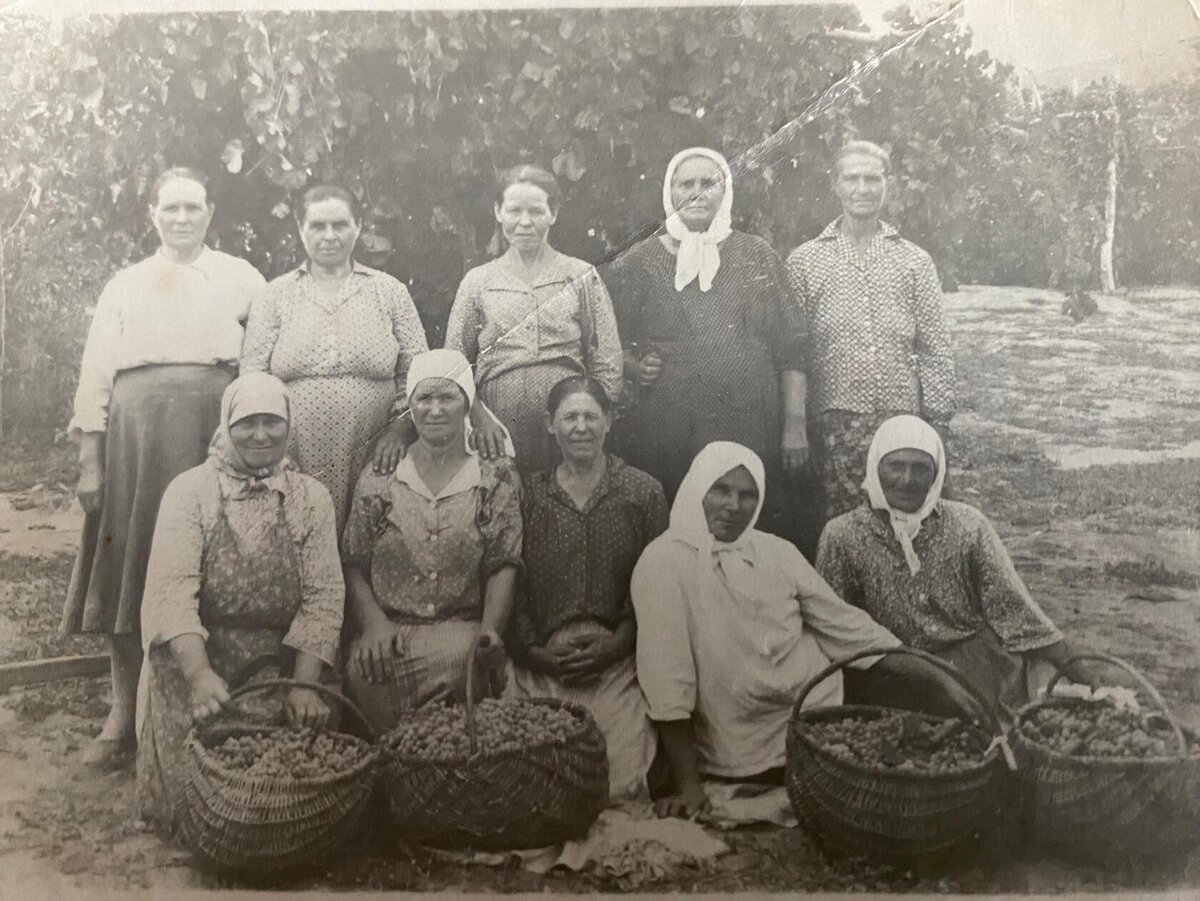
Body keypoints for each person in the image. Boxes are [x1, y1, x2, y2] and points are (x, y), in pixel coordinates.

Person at [631, 442, 979, 818]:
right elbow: (668, 678)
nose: (734, 506)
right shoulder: (662, 561)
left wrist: (941, 680)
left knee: (924, 720)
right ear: (697, 488)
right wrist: (689, 786)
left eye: (748, 495)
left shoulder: (776, 552)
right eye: (721, 490)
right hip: (733, 738)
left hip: (814, 715)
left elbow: (848, 628)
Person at [62, 167, 266, 769]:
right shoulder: (126, 284)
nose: (182, 218)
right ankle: (123, 715)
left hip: (213, 428)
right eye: (170, 208)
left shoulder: (241, 277)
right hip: (136, 438)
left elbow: (257, 367)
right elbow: (97, 373)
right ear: (153, 214)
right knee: (130, 565)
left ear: (210, 212)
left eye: (192, 208)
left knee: (211, 563)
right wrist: (90, 459)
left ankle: (208, 707)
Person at [136, 373, 345, 834]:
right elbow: (172, 595)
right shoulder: (190, 492)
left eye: (273, 422)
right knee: (204, 803)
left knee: (284, 794)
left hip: (281, 668)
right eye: (247, 423)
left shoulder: (312, 498)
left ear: (290, 427)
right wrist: (199, 675)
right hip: (199, 666)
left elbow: (323, 599)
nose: (261, 435)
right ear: (226, 427)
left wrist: (306, 684)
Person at [816, 415, 1095, 715]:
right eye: (895, 466)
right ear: (874, 468)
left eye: (921, 468)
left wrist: (1093, 681)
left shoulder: (967, 525)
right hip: (890, 670)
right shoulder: (842, 535)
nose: (908, 480)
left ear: (937, 474)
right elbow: (832, 626)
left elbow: (1017, 612)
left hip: (971, 666)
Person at [606, 147, 808, 539]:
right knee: (677, 523)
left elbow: (792, 347)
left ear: (725, 191)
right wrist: (634, 365)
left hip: (748, 420)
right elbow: (606, 340)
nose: (697, 193)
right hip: (670, 426)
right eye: (686, 184)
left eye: (708, 183)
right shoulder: (638, 262)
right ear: (669, 191)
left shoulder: (757, 255)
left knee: (745, 521)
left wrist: (795, 424)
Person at [341, 349, 522, 733]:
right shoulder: (381, 474)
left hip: (462, 632)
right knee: (365, 670)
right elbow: (353, 561)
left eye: (448, 397)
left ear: (467, 404)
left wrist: (490, 631)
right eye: (424, 398)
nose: (436, 410)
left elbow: (504, 562)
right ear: (409, 407)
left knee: (468, 677)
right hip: (391, 633)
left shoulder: (494, 474)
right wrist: (372, 626)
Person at [505, 376, 668, 800]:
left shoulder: (642, 491)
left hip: (616, 661)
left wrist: (616, 646)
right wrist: (534, 653)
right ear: (549, 424)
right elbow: (511, 581)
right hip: (543, 662)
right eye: (570, 417)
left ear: (609, 422)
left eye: (591, 416)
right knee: (535, 782)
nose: (581, 427)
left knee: (615, 785)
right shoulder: (528, 495)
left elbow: (657, 586)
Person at [240, 184, 429, 532]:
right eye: (317, 226)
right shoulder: (274, 295)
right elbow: (252, 381)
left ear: (358, 227)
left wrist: (401, 430)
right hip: (294, 452)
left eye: (340, 225)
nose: (329, 236)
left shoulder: (388, 291)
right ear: (300, 228)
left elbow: (418, 373)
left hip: (376, 449)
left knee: (371, 538)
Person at [785, 141, 957, 524]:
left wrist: (938, 422)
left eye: (872, 179)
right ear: (835, 185)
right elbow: (792, 353)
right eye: (852, 179)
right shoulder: (805, 261)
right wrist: (795, 423)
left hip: (902, 420)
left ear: (887, 184)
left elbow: (935, 348)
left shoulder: (913, 261)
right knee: (844, 526)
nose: (862, 188)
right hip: (833, 425)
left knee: (905, 521)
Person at [443, 164, 624, 476]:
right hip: (497, 422)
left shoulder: (579, 275)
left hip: (569, 421)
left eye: (536, 211)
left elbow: (606, 359)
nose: (524, 222)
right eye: (514, 210)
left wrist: (591, 419)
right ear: (498, 212)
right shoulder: (478, 281)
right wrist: (478, 418)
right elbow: (454, 361)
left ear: (553, 213)